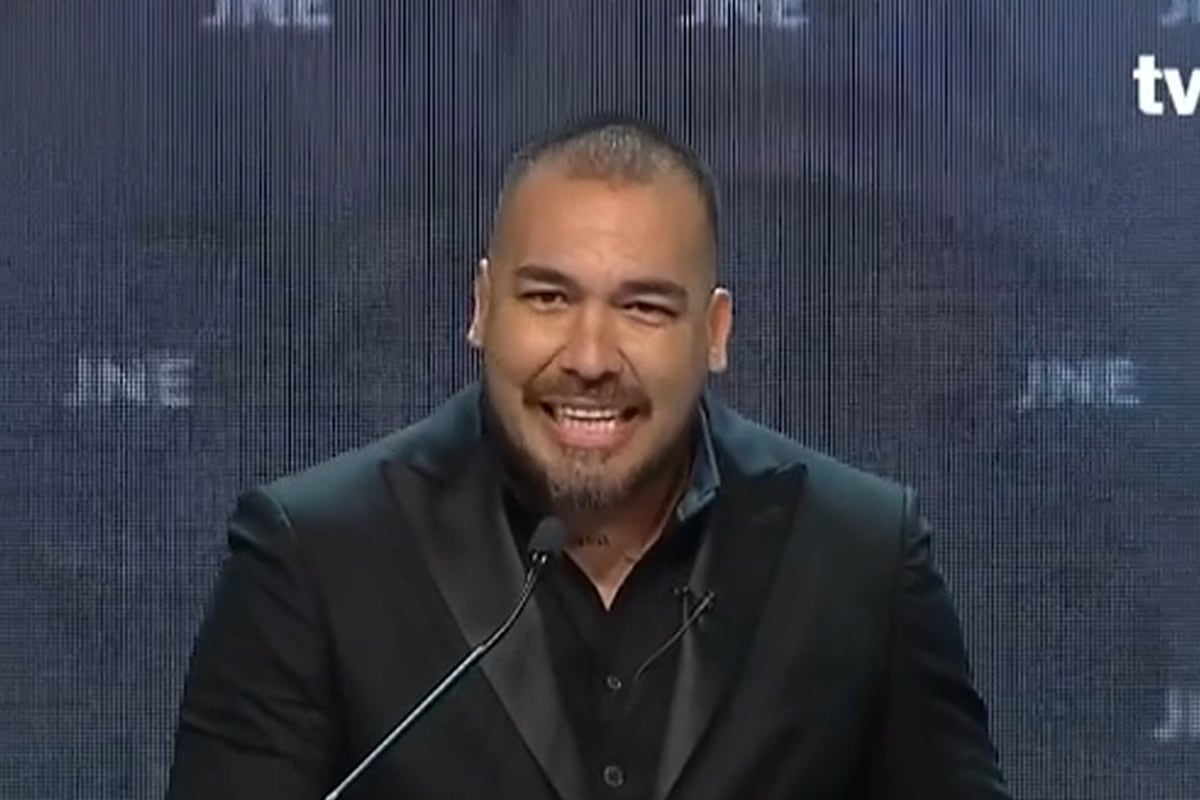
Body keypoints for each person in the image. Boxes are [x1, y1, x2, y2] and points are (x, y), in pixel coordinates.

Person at [166, 114, 1011, 799]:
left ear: (714, 332)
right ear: (481, 308)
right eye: (548, 298)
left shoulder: (860, 554)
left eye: (644, 308)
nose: (591, 356)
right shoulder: (316, 556)